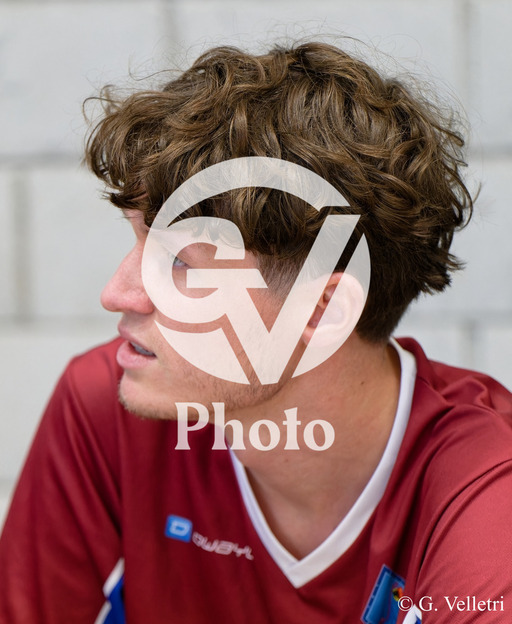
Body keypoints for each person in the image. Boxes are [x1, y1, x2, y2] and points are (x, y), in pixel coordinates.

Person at [1, 41, 511, 624]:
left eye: (181, 261)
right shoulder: (106, 405)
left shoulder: (487, 491)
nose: (117, 293)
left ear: (321, 312)